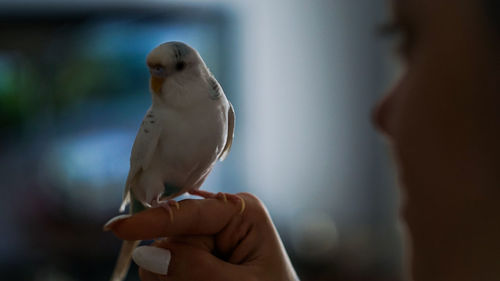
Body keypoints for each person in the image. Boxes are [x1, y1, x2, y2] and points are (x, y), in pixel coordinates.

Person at [105, 0, 500, 280]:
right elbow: (141, 178)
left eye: (408, 41)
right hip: (151, 193)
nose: (381, 115)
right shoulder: (156, 119)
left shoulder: (222, 111)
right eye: (155, 72)